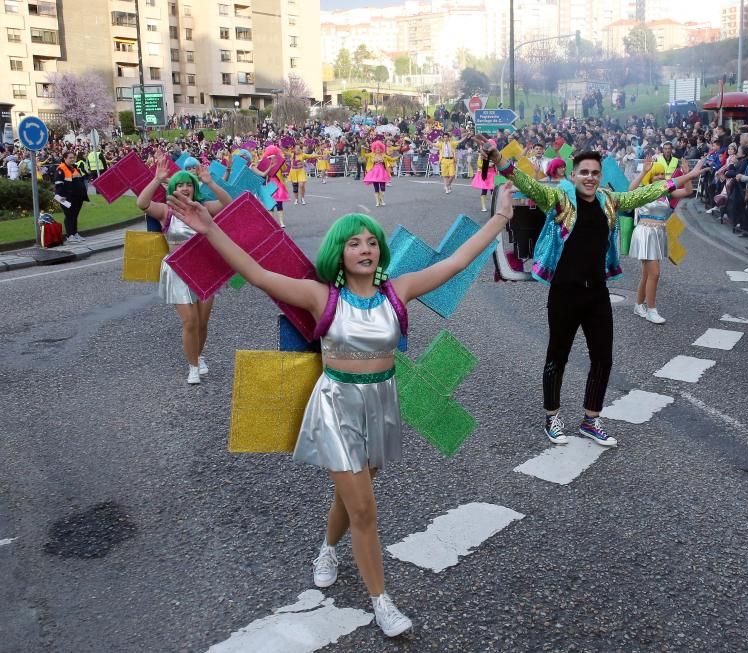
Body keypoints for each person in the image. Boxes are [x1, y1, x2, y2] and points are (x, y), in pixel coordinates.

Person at [163, 177, 518, 638]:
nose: (366, 249)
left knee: (351, 499)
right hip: (337, 406)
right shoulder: (321, 297)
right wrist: (209, 229)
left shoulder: (399, 290)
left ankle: (327, 548)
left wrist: (501, 217)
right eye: (355, 243)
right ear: (340, 253)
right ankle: (381, 601)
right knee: (366, 511)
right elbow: (256, 273)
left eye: (372, 242)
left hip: (381, 404)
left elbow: (458, 260)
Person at [477, 134, 695, 447]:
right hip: (564, 292)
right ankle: (552, 416)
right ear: (574, 175)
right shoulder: (560, 199)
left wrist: (683, 178)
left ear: (599, 176)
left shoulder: (609, 201)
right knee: (558, 356)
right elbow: (529, 184)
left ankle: (590, 420)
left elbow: (647, 192)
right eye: (584, 172)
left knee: (603, 358)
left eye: (595, 173)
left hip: (597, 294)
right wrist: (498, 159)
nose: (590, 178)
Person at [135, 154, 233, 384]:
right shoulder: (166, 210)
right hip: (178, 270)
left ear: (194, 187)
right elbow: (142, 203)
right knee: (189, 320)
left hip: (204, 269)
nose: (185, 188)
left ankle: (198, 355)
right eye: (180, 184)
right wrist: (157, 178)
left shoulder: (204, 208)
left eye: (188, 184)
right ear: (173, 188)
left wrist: (210, 182)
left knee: (202, 322)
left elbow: (229, 204)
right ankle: (193, 367)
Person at [627, 156, 703, 324]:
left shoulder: (666, 192)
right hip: (645, 233)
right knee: (655, 273)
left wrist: (687, 174)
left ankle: (639, 305)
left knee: (647, 273)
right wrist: (643, 172)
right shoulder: (644, 190)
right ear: (650, 177)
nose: (660, 177)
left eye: (662, 174)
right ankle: (651, 310)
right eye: (657, 174)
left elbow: (687, 192)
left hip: (659, 233)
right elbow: (629, 191)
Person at [54, 152, 90, 243]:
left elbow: (79, 181)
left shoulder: (74, 168)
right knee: (69, 216)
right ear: (65, 158)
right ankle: (70, 235)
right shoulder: (61, 169)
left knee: (74, 216)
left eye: (73, 158)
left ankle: (75, 233)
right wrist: (60, 196)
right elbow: (58, 184)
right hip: (67, 198)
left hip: (77, 197)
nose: (72, 159)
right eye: (70, 158)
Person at [362, 140, 395, 207]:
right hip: (374, 173)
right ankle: (377, 202)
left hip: (382, 173)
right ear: (374, 149)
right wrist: (362, 148)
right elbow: (363, 155)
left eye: (379, 149)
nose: (378, 150)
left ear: (381, 149)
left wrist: (398, 157)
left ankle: (382, 200)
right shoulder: (372, 155)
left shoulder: (383, 155)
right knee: (376, 188)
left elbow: (391, 159)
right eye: (376, 149)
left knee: (383, 188)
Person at [471, 140, 496, 212]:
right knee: (484, 190)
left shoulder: (494, 154)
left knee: (493, 190)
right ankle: (483, 206)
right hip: (485, 174)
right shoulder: (482, 154)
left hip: (492, 174)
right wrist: (488, 165)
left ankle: (493, 206)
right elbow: (479, 164)